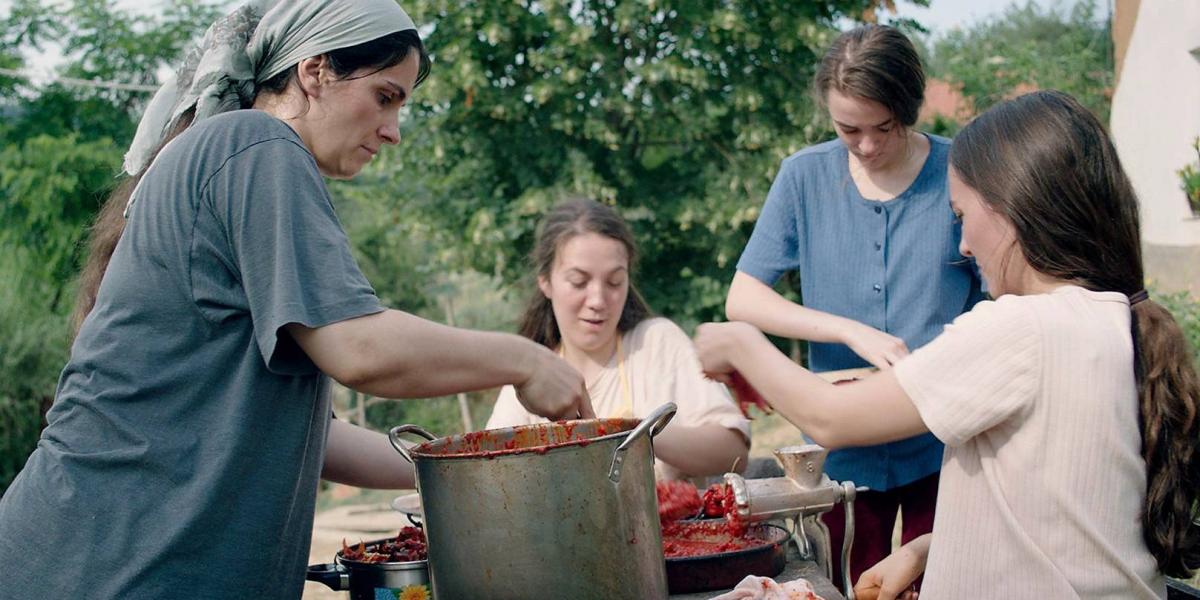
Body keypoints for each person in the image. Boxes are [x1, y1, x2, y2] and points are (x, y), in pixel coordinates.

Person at [0, 2, 593, 598]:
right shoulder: (255, 142)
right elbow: (359, 347)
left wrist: (486, 462)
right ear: (314, 72)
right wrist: (526, 359)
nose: (393, 129)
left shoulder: (230, 157)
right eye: (385, 97)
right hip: (98, 567)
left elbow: (318, 439)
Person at [696, 89, 1200, 599]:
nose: (961, 244)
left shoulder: (1020, 328)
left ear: (1012, 209)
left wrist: (739, 343)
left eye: (960, 216)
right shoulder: (1111, 320)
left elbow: (832, 418)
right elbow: (1059, 515)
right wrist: (927, 549)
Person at [724, 23, 984, 586]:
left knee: (944, 583)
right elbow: (742, 299)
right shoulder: (803, 176)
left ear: (909, 109)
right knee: (841, 585)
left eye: (883, 128)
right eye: (848, 130)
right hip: (838, 455)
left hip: (947, 445)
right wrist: (847, 330)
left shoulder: (963, 171)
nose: (866, 146)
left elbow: (1000, 300)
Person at [486, 198, 750, 480]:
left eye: (614, 282)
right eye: (579, 282)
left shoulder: (656, 342)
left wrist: (638, 433)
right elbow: (493, 475)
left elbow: (733, 452)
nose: (598, 300)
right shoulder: (530, 379)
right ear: (546, 282)